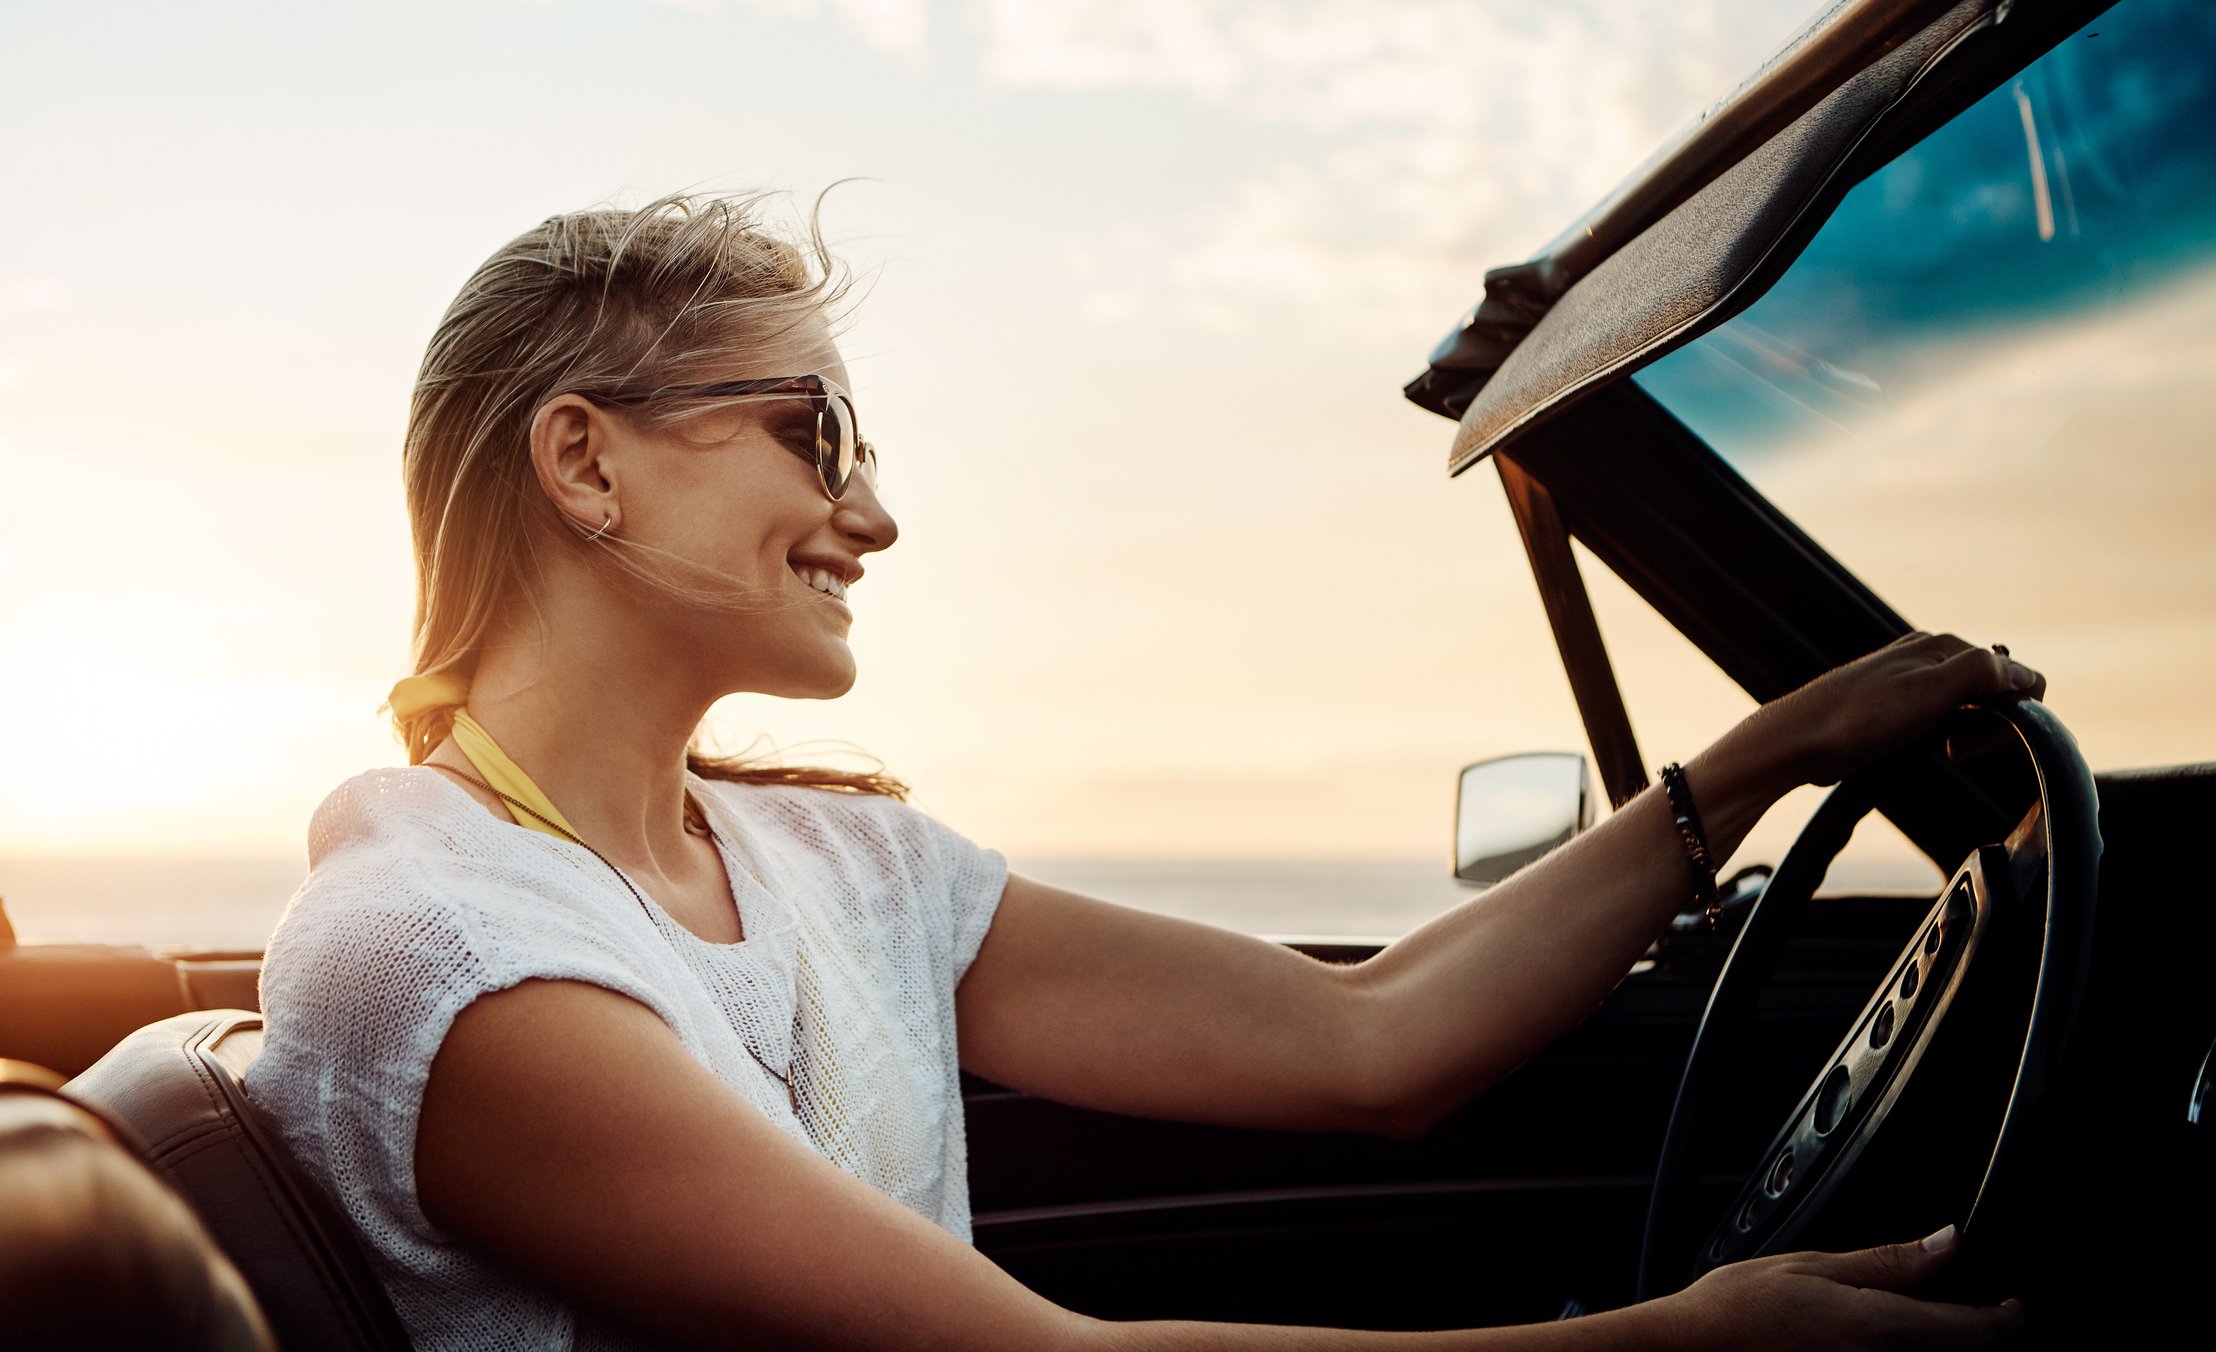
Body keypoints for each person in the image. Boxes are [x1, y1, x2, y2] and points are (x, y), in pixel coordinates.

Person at [247, 192, 2034, 1351]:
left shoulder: (842, 870)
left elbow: (1372, 1041)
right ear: (584, 462)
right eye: (818, 432)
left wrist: (1772, 754)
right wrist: (1671, 1345)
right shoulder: (446, 950)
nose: (873, 512)